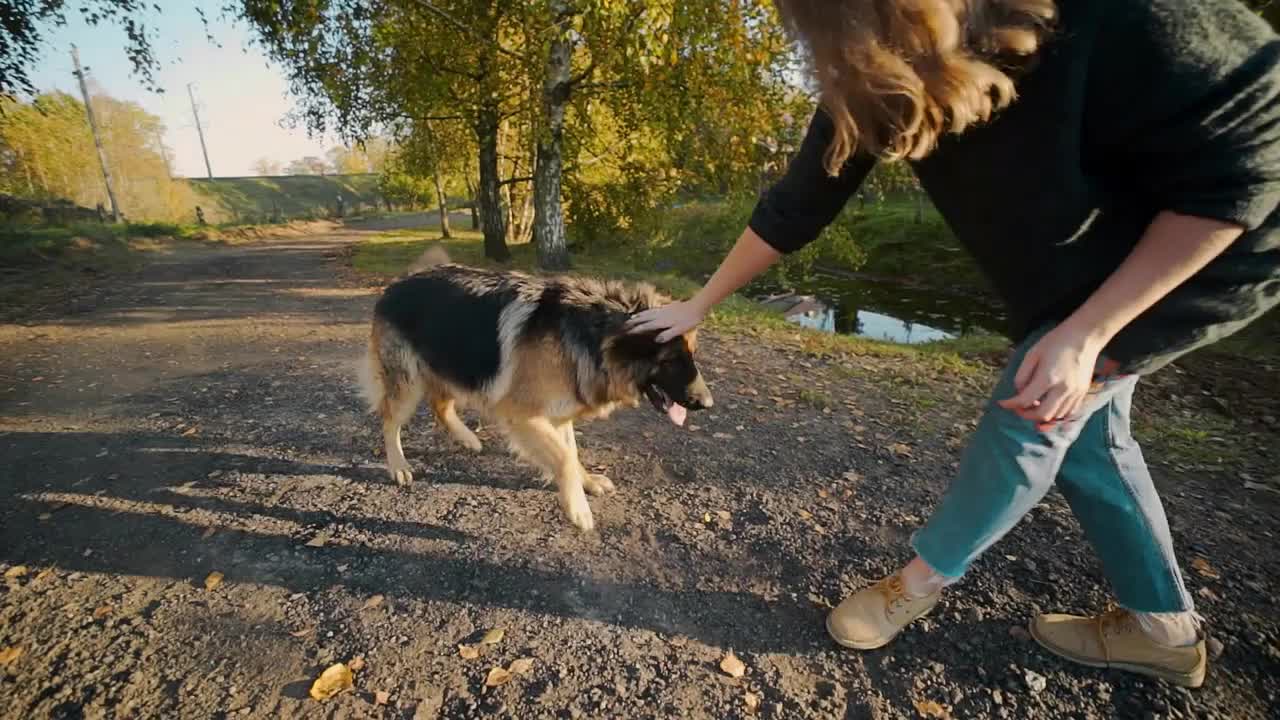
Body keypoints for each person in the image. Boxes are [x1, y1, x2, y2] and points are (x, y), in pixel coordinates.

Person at [627, 0, 1280, 689]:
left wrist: (1089, 333)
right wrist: (700, 303)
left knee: (1028, 414)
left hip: (1196, 257)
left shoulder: (1123, 16)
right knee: (1091, 441)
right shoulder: (873, 62)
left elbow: (1250, 165)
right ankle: (1165, 631)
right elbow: (800, 201)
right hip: (1081, 278)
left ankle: (916, 584)